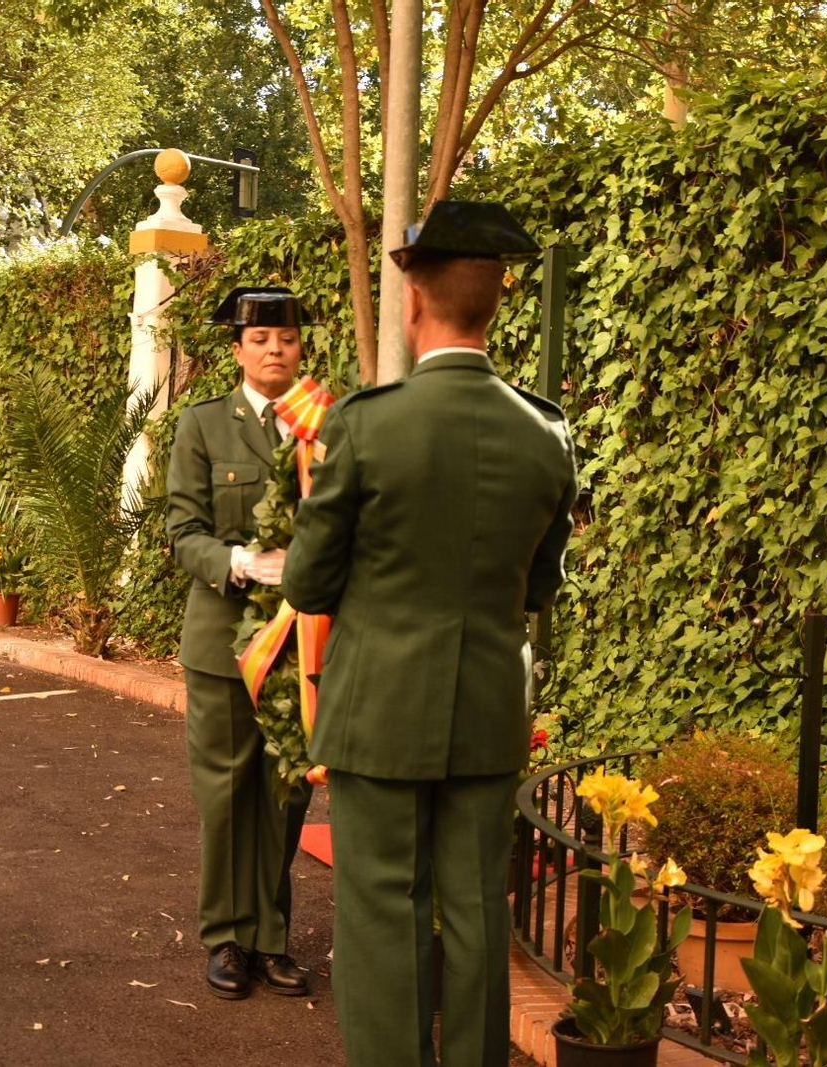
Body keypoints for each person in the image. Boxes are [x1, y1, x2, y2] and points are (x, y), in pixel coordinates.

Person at [282, 202, 578, 1067]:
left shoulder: (367, 423)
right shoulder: (546, 432)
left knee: (381, 907)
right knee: (481, 907)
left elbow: (306, 582)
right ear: (495, 303)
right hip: (487, 707)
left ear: (414, 302)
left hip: (380, 710)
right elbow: (538, 587)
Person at [165, 287, 314, 1000]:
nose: (274, 349)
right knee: (226, 794)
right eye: (260, 339)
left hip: (301, 643)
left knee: (283, 796)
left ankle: (271, 936)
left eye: (285, 338)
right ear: (237, 350)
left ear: (299, 347)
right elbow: (183, 529)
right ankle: (226, 936)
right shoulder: (202, 426)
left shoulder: (326, 424)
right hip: (225, 640)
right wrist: (240, 562)